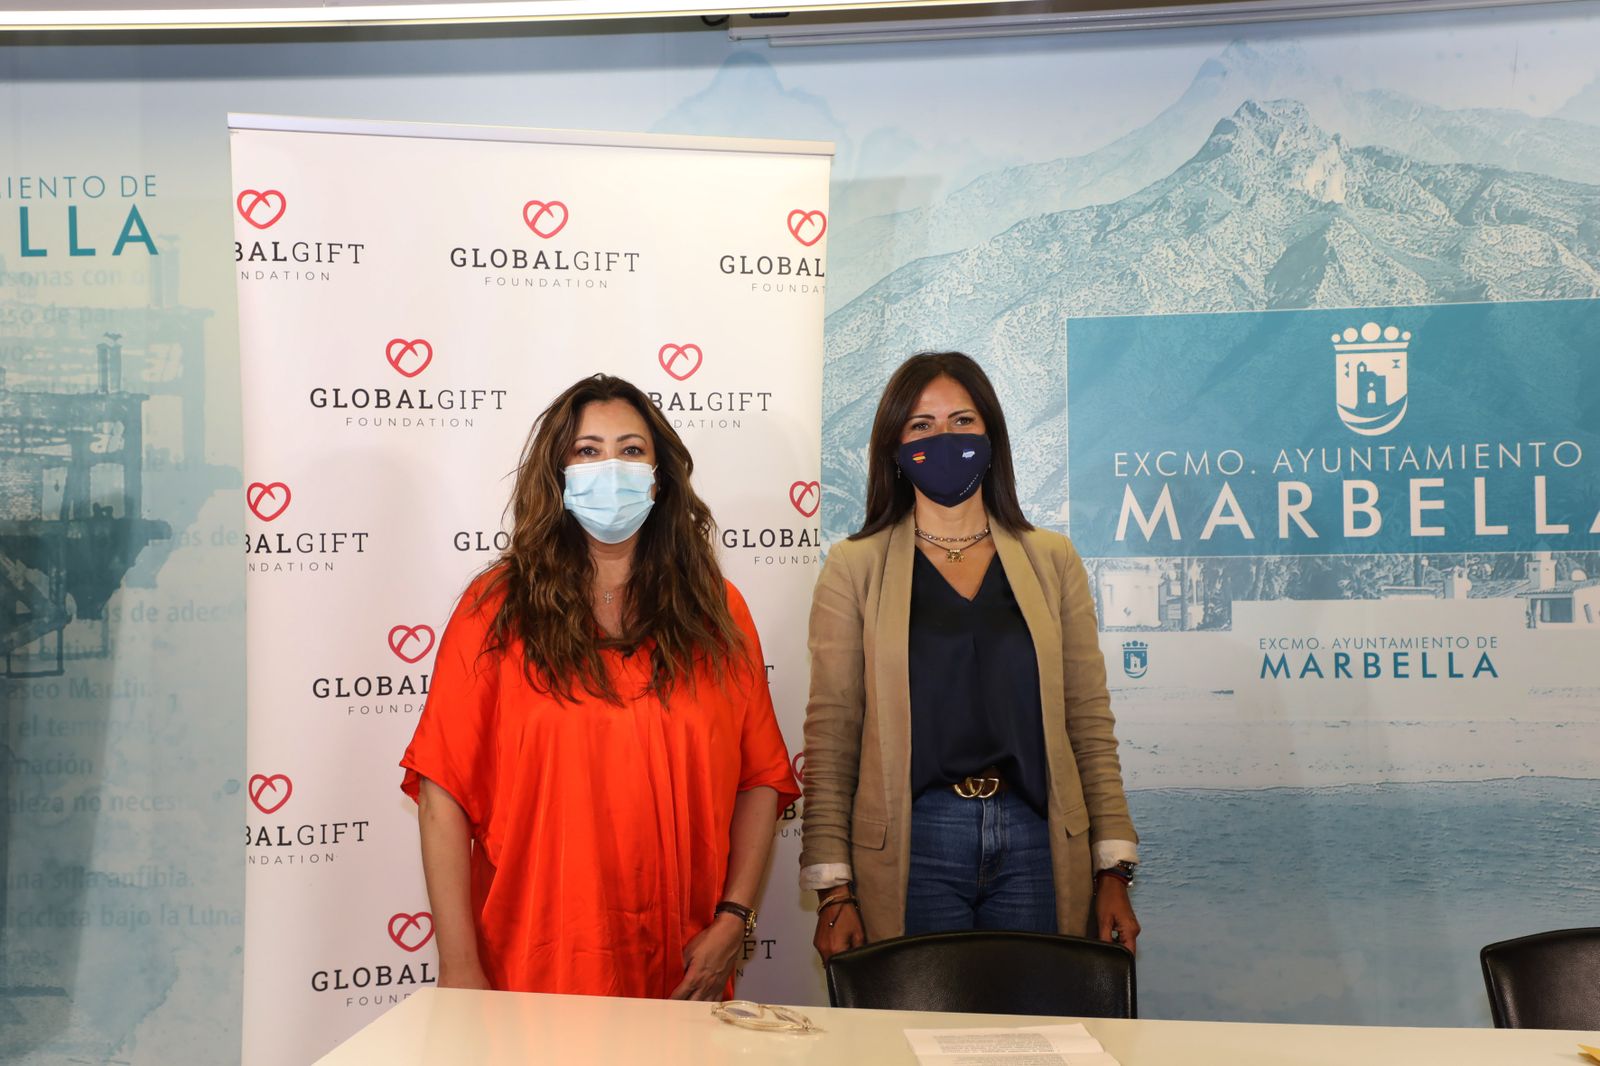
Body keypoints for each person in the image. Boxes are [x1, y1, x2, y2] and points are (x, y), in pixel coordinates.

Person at [400, 374, 799, 1001]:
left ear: (660, 476)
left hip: (681, 964)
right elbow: (440, 792)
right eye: (587, 451)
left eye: (631, 450)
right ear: (557, 474)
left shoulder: (719, 612)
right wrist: (458, 966)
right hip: (532, 967)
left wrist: (735, 917)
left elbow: (760, 778)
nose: (609, 466)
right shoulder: (494, 611)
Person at [799, 351, 1141, 963]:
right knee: (912, 1041)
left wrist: (1113, 867)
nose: (945, 438)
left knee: (1039, 1044)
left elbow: (1088, 719)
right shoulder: (854, 566)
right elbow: (832, 732)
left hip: (1038, 838)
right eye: (922, 426)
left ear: (991, 437)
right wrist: (833, 890)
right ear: (895, 447)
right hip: (915, 840)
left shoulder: (1052, 559)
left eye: (963, 421)